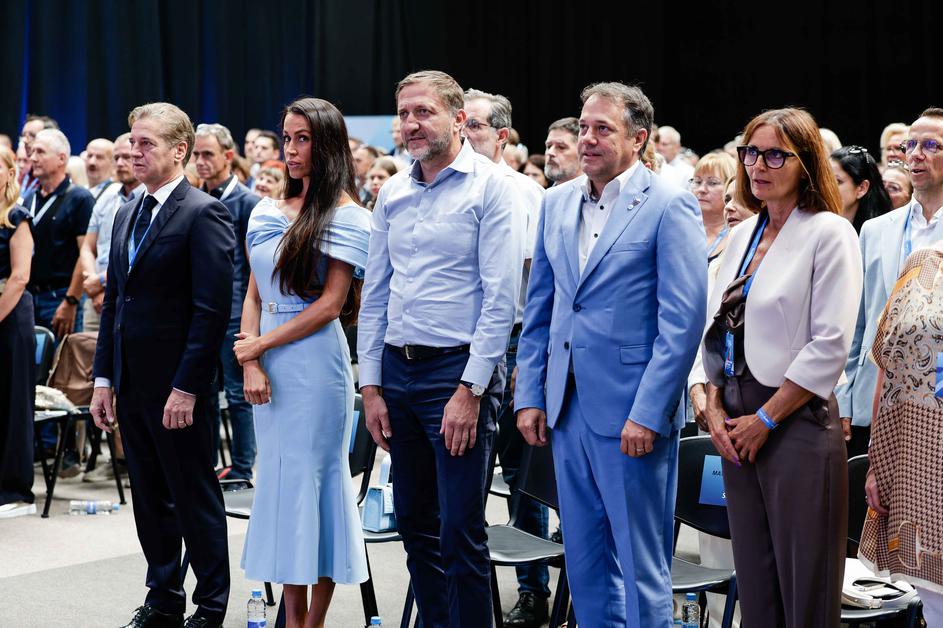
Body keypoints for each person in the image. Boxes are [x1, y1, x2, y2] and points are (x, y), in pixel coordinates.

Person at [516, 81, 707, 627]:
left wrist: (648, 411)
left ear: (638, 138)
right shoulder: (556, 201)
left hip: (632, 413)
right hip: (566, 408)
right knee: (584, 562)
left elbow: (682, 323)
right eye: (583, 127)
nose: (588, 139)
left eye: (603, 128)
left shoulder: (669, 204)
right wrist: (530, 394)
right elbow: (542, 310)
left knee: (641, 566)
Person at [358, 70, 524, 627]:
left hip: (457, 374)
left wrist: (471, 390)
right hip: (397, 373)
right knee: (414, 526)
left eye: (423, 112)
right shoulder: (393, 191)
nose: (411, 124)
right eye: (404, 113)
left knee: (460, 531)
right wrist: (371, 386)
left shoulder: (491, 186)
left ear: (457, 119)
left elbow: (501, 300)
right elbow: (375, 296)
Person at [701, 108, 862, 627]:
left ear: (806, 162)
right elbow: (716, 323)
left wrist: (766, 419)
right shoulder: (743, 232)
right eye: (751, 152)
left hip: (793, 421)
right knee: (755, 585)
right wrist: (712, 402)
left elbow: (830, 344)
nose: (757, 165)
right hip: (736, 420)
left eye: (775, 155)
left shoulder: (829, 232)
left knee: (805, 592)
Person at [89, 102, 235, 628]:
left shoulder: (203, 212)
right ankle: (164, 599)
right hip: (131, 382)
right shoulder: (128, 209)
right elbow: (115, 303)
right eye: (132, 141)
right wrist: (103, 378)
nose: (133, 151)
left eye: (146, 143)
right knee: (150, 500)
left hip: (179, 387)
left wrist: (187, 386)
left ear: (179, 151)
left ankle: (210, 606)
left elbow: (211, 311)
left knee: (193, 497)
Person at [236, 97, 369, 628]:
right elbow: (253, 292)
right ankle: (291, 619)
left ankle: (310, 622)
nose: (290, 150)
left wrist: (258, 347)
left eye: (303, 139)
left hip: (316, 364)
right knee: (281, 487)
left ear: (327, 144)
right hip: (267, 360)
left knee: (316, 486)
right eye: (287, 138)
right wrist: (251, 359)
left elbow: (331, 305)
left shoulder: (349, 216)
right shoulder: (266, 209)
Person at [462, 87, 548, 628]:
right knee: (461, 478)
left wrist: (529, 361)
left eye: (474, 125)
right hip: (454, 346)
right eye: (461, 123)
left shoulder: (525, 193)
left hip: (513, 341)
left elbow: (538, 284)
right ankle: (464, 592)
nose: (464, 133)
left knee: (521, 474)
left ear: (501, 136)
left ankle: (533, 590)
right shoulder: (437, 187)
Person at [838, 108, 943, 459]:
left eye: (931, 145)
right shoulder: (875, 230)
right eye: (910, 145)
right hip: (872, 396)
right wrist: (844, 398)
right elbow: (855, 323)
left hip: (935, 397)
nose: (916, 154)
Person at [860, 245, 943, 626]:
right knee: (935, 605)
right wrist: (876, 462)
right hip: (920, 467)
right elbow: (887, 365)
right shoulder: (922, 264)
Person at [193, 122, 260, 482]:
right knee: (202, 390)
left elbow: (255, 268)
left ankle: (243, 466)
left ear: (228, 156)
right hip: (201, 310)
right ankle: (206, 464)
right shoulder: (194, 197)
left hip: (235, 311)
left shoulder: (247, 202)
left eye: (208, 154)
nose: (200, 161)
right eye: (196, 154)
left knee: (237, 392)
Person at [24, 129, 94, 339]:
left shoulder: (80, 198)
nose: (33, 158)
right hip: (29, 297)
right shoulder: (29, 198)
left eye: (40, 152)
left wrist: (71, 300)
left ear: (61, 158)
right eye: (32, 152)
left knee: (61, 359)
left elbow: (86, 252)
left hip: (60, 298)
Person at [0, 145, 36, 519]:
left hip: (10, 314)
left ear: (11, 172)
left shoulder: (16, 216)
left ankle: (16, 490)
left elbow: (19, 276)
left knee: (12, 402)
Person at [79, 133, 144, 334]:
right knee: (88, 350)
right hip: (95, 298)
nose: (121, 163)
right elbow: (87, 247)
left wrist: (99, 281)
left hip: (127, 294)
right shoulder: (106, 198)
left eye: (127, 157)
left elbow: (137, 254)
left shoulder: (149, 199)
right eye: (117, 158)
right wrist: (92, 284)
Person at [830, 145, 893, 232]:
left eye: (837, 181)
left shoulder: (881, 232)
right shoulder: (819, 223)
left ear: (862, 188)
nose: (826, 186)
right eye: (824, 180)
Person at [690, 152, 738, 262]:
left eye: (712, 183)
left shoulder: (740, 234)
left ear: (730, 187)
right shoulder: (681, 228)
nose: (701, 189)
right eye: (697, 181)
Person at [543, 117, 582, 185]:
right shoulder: (544, 191)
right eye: (549, 146)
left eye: (561, 147)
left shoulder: (598, 191)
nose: (550, 152)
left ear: (583, 152)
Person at [654, 125, 694, 189]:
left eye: (664, 144)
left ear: (677, 146)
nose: (659, 147)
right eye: (656, 143)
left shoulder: (688, 172)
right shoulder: (650, 166)